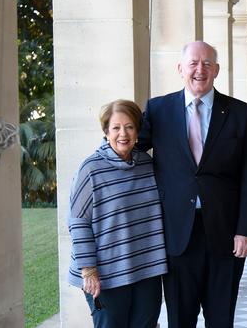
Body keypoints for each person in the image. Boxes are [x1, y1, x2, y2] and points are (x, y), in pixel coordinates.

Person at [137, 41, 247, 328]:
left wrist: (246, 230)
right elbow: (131, 150)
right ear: (180, 69)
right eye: (193, 63)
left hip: (227, 234)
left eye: (207, 63)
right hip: (176, 234)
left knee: (221, 319)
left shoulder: (241, 114)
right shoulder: (158, 110)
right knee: (180, 319)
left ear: (217, 70)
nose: (200, 69)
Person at [67, 99, 167, 328]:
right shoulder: (90, 169)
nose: (123, 133)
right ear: (106, 131)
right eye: (116, 128)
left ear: (138, 130)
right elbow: (78, 222)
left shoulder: (146, 164)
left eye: (130, 127)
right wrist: (89, 270)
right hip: (106, 272)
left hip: (146, 268)